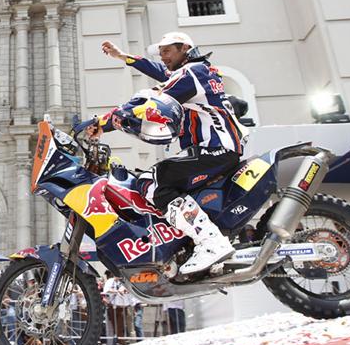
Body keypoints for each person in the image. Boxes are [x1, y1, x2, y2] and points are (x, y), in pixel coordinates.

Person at [91, 34, 246, 274]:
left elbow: (152, 100)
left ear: (185, 48)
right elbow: (159, 72)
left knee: (153, 182)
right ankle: (193, 244)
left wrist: (102, 124)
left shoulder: (191, 73)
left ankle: (211, 243)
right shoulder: (198, 71)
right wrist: (123, 57)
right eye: (160, 52)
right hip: (220, 147)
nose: (163, 57)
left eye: (167, 51)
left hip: (214, 147)